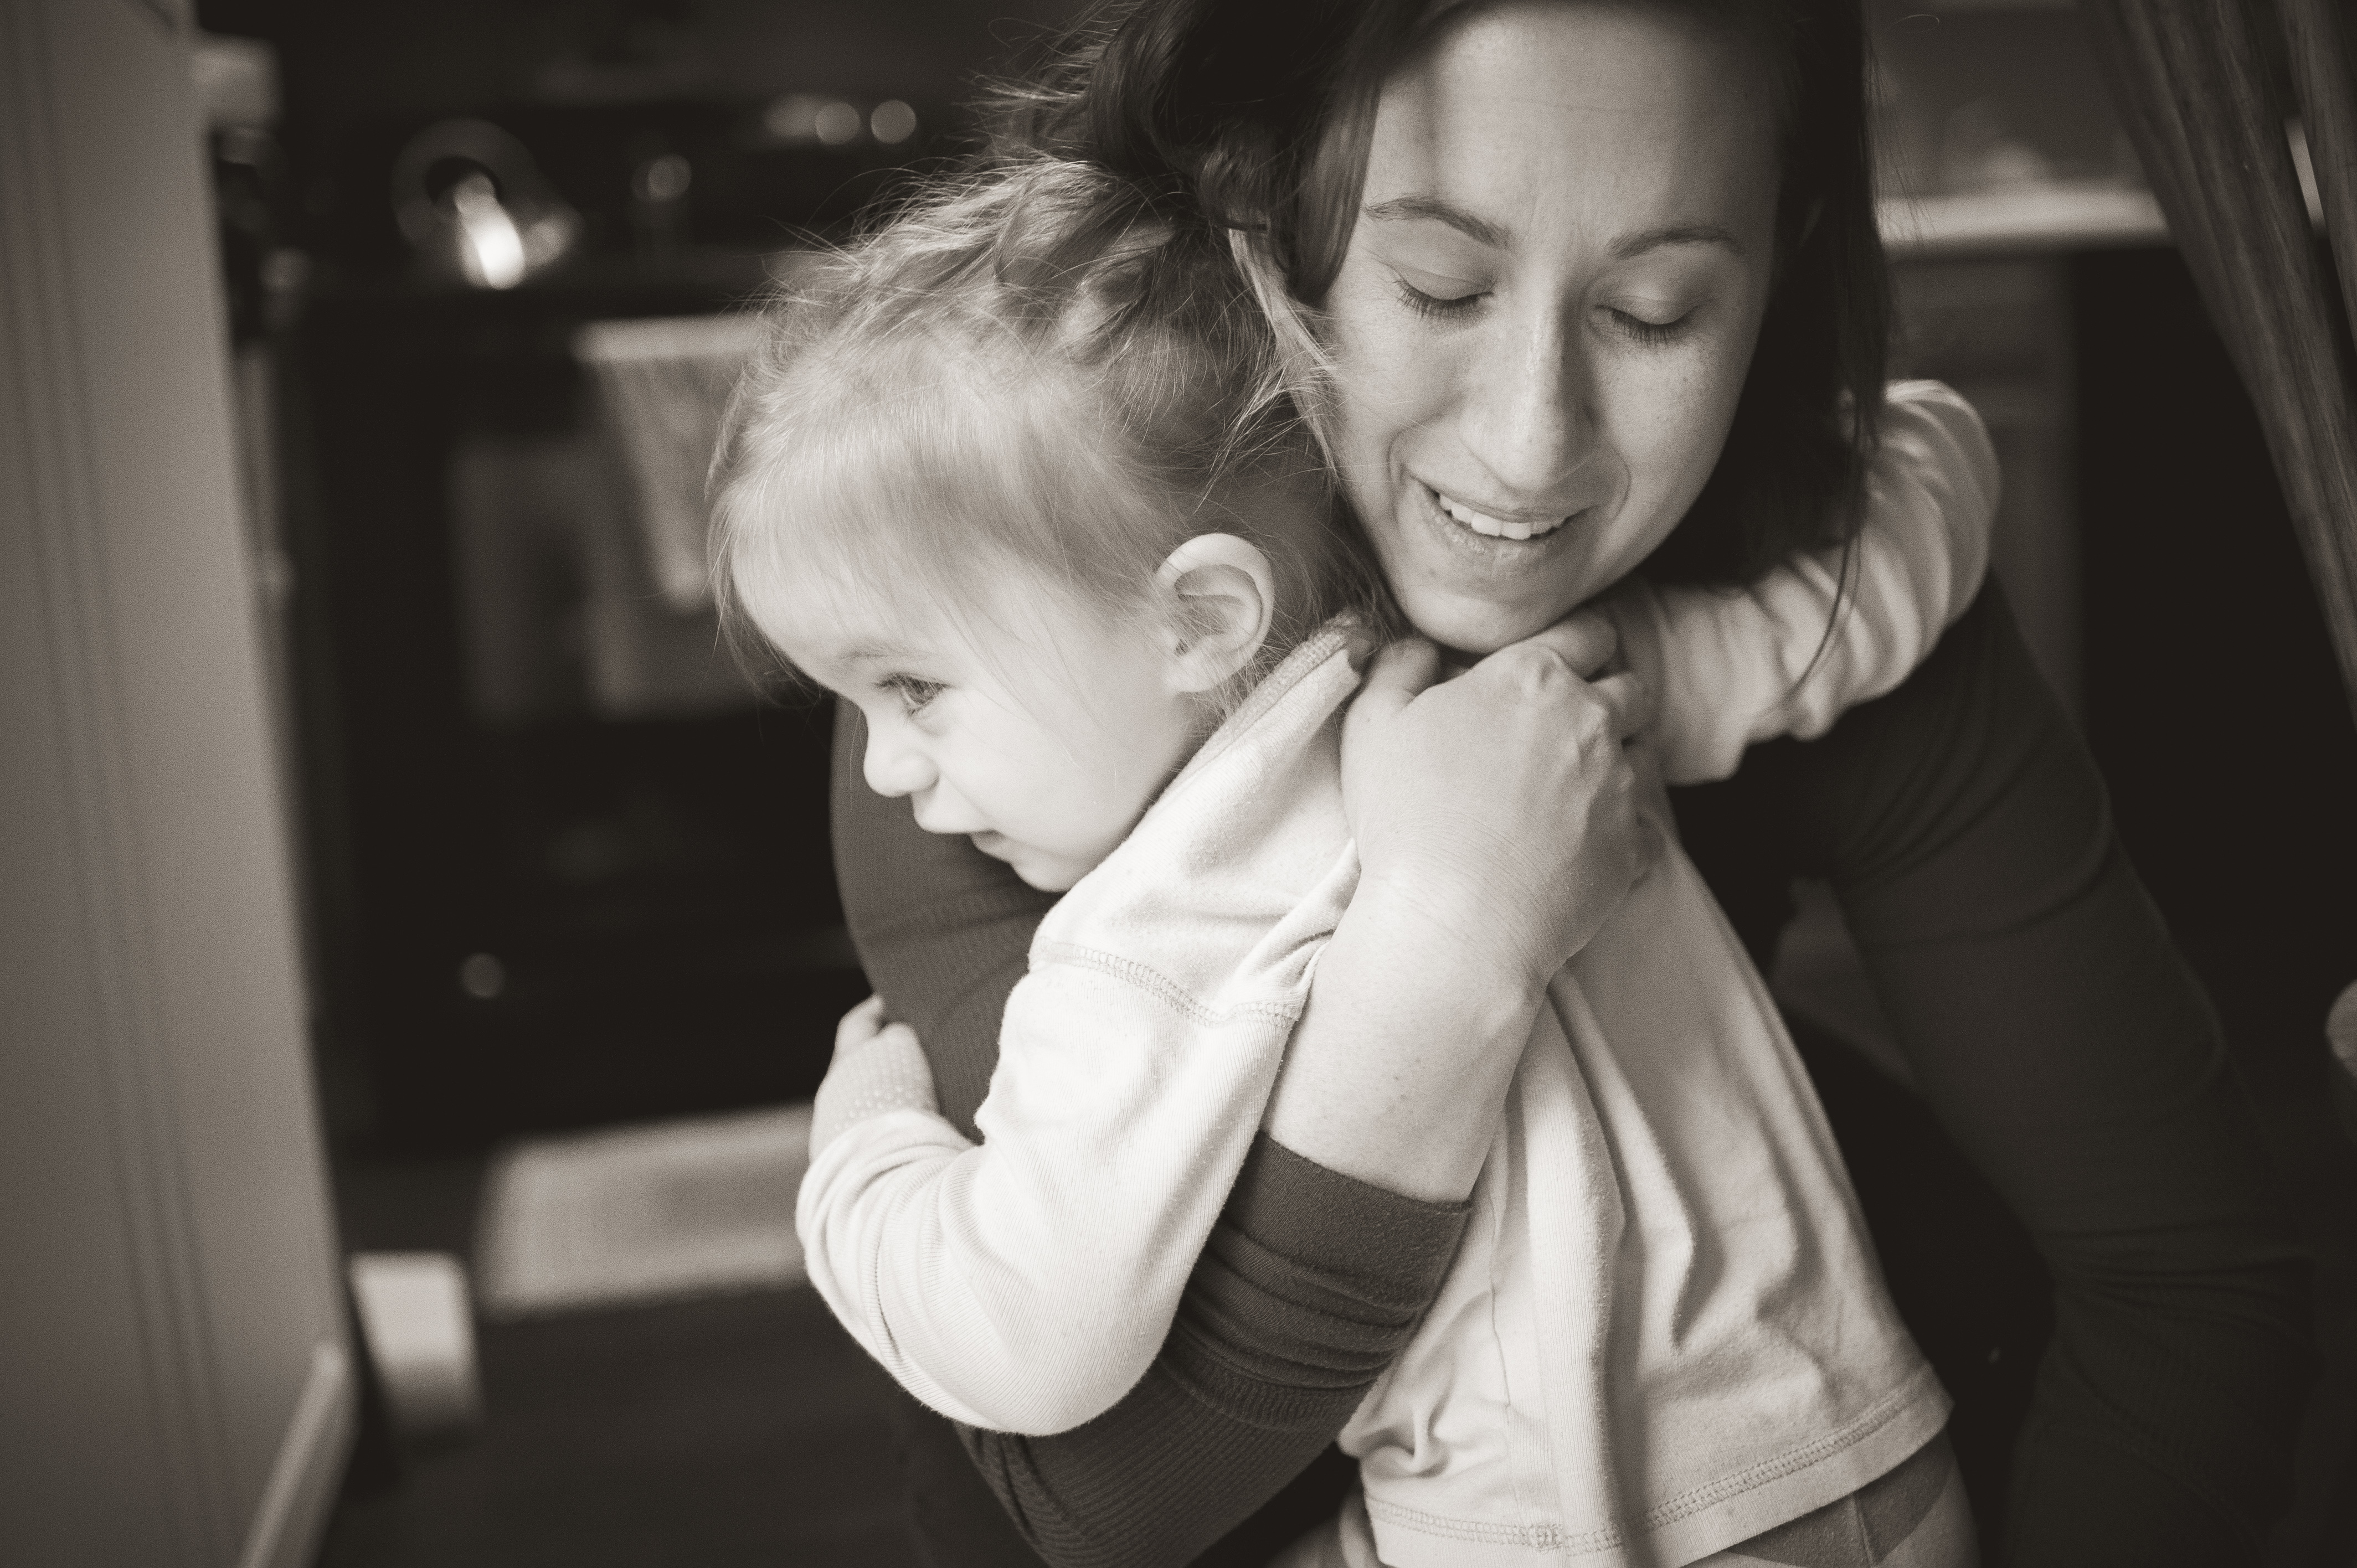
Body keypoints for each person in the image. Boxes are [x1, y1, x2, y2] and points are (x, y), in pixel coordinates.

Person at [824, 2, 2317, 1565]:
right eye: (1439, 285)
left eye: (1657, 313)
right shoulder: (1003, 672)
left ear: (1784, 263)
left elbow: (2187, 1291)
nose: (1532, 445)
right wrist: (1452, 948)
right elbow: (1102, 1499)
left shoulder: (1802, 583)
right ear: (1251, 214)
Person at [718, 153, 1995, 1565]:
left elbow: (1023, 1340)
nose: (885, 773)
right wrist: (1657, 632)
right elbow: (1905, 542)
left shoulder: (1148, 939)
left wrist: (864, 1142)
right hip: (1881, 1459)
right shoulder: (1534, 692)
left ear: (1202, 618)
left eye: (910, 689)